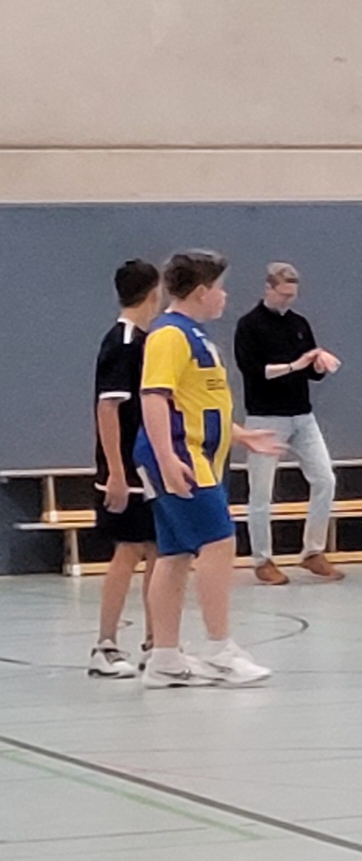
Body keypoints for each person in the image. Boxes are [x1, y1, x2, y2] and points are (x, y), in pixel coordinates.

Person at [133, 251, 286, 688]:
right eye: (220, 288)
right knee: (219, 541)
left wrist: (240, 435)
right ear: (202, 292)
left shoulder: (195, 337)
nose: (224, 296)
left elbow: (198, 403)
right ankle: (220, 650)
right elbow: (154, 397)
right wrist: (168, 458)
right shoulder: (169, 336)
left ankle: (164, 659)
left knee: (175, 553)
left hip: (199, 454)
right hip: (182, 456)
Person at [233, 262, 344, 584]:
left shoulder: (299, 324)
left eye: (292, 295)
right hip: (265, 417)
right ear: (268, 288)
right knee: (261, 492)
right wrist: (295, 365)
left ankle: (313, 551)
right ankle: (262, 559)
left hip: (302, 416)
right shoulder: (249, 325)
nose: (287, 300)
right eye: (282, 294)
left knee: (325, 479)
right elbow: (256, 372)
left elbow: (310, 371)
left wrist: (318, 365)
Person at [85, 259, 164, 678]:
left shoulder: (146, 341)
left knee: (157, 550)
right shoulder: (124, 342)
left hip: (147, 466)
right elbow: (108, 409)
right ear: (154, 293)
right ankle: (105, 646)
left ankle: (156, 644)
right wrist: (116, 472)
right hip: (126, 467)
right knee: (128, 550)